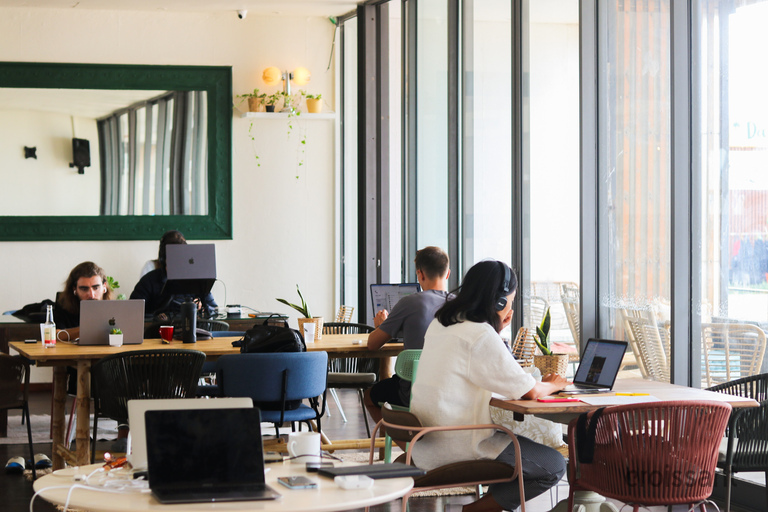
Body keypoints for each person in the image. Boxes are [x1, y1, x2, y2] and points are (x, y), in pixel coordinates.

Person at [410, 260, 568, 512]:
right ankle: (477, 510)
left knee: (516, 445)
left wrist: (495, 328)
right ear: (499, 302)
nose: (510, 308)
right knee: (553, 464)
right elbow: (530, 391)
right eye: (511, 301)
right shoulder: (480, 335)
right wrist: (553, 383)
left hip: (426, 442)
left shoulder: (441, 324)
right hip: (460, 446)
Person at [363, 246, 451, 427]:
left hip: (413, 391)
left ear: (420, 274)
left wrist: (381, 326)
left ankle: (403, 442)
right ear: (448, 274)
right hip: (450, 390)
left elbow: (372, 344)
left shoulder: (410, 302)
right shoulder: (459, 305)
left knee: (369, 396)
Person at [130, 230, 217, 318]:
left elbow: (214, 309)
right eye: (175, 258)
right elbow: (132, 312)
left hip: (192, 329)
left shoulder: (197, 280)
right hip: (158, 330)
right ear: (163, 259)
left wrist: (202, 308)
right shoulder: (149, 281)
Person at [54, 261, 113, 337]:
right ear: (74, 289)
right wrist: (88, 329)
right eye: (84, 289)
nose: (91, 295)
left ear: (104, 287)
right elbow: (56, 335)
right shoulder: (63, 304)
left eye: (96, 288)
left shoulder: (113, 307)